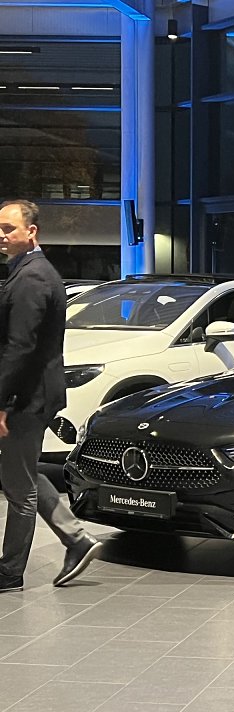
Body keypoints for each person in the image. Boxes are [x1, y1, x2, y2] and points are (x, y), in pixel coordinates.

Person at [0, 199, 102, 591]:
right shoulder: (26, 271)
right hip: (30, 394)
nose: (2, 236)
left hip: (26, 398)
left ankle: (10, 571)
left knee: (19, 488)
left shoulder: (33, 278)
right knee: (21, 474)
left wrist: (2, 404)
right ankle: (76, 538)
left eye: (9, 229)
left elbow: (21, 348)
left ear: (31, 232)